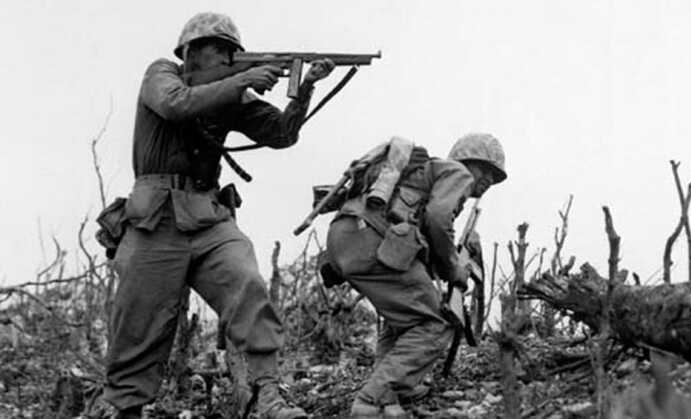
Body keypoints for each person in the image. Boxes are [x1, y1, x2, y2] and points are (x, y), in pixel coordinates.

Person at [102, 12, 334, 419]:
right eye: (217, 52)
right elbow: (175, 105)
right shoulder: (162, 74)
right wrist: (243, 79)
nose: (225, 60)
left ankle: (267, 395)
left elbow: (280, 134)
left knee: (247, 285)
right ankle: (126, 409)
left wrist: (306, 87)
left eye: (231, 54)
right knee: (138, 321)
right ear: (189, 53)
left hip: (209, 217)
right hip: (155, 219)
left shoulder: (232, 94)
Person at [324, 133, 507, 418]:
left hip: (344, 237)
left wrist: (442, 264)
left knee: (404, 318)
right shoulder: (457, 173)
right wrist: (453, 268)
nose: (488, 181)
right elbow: (437, 218)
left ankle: (394, 390)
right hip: (373, 239)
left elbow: (423, 229)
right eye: (486, 170)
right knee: (434, 323)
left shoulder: (422, 178)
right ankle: (373, 400)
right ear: (467, 161)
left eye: (495, 178)